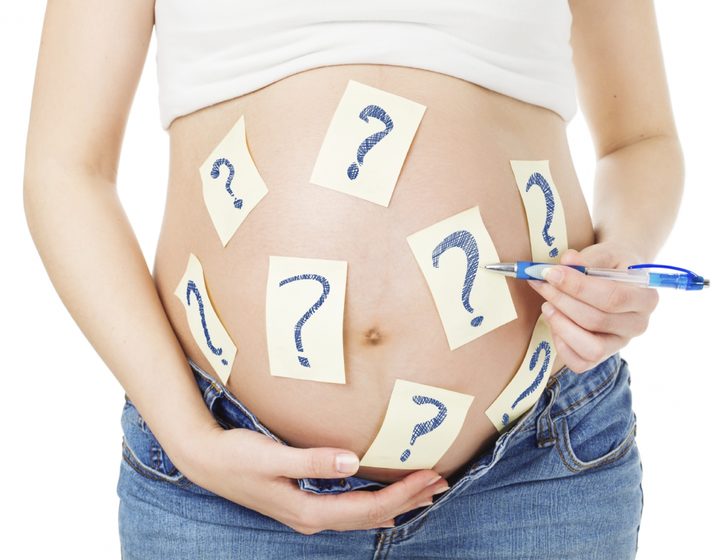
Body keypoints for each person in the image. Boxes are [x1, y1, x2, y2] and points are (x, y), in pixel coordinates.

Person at [23, 0, 681, 558]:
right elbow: (65, 169)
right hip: (224, 481)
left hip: (534, 466)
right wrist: (191, 440)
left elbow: (640, 139)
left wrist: (622, 257)